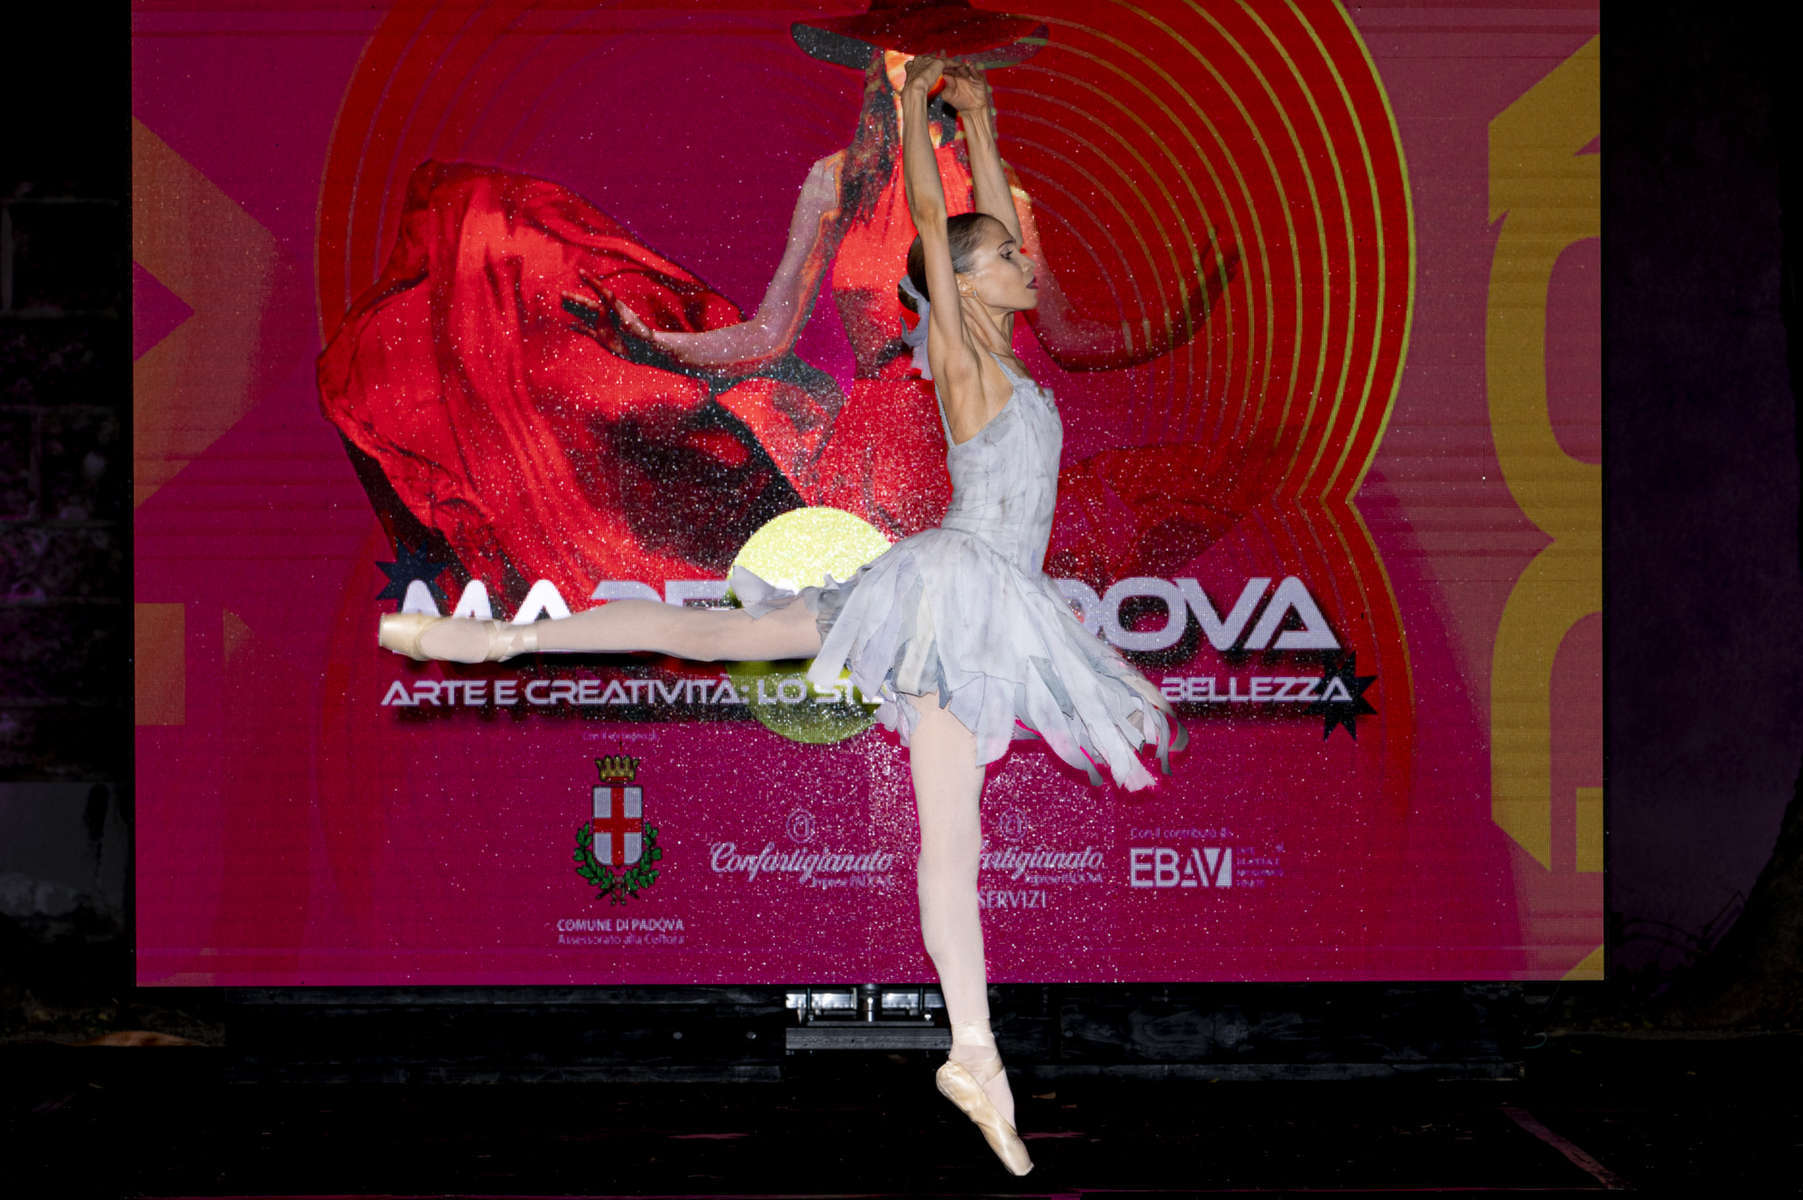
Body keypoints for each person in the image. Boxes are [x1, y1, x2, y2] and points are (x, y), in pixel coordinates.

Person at [375, 54, 1186, 1177]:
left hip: (988, 599)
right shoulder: (960, 354)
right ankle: (497, 638)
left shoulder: (1003, 348)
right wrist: (919, 111)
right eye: (1004, 257)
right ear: (960, 284)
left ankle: (973, 1057)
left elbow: (977, 230)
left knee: (930, 825)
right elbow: (943, 243)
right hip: (949, 590)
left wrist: (983, 117)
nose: (1024, 262)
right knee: (738, 649)